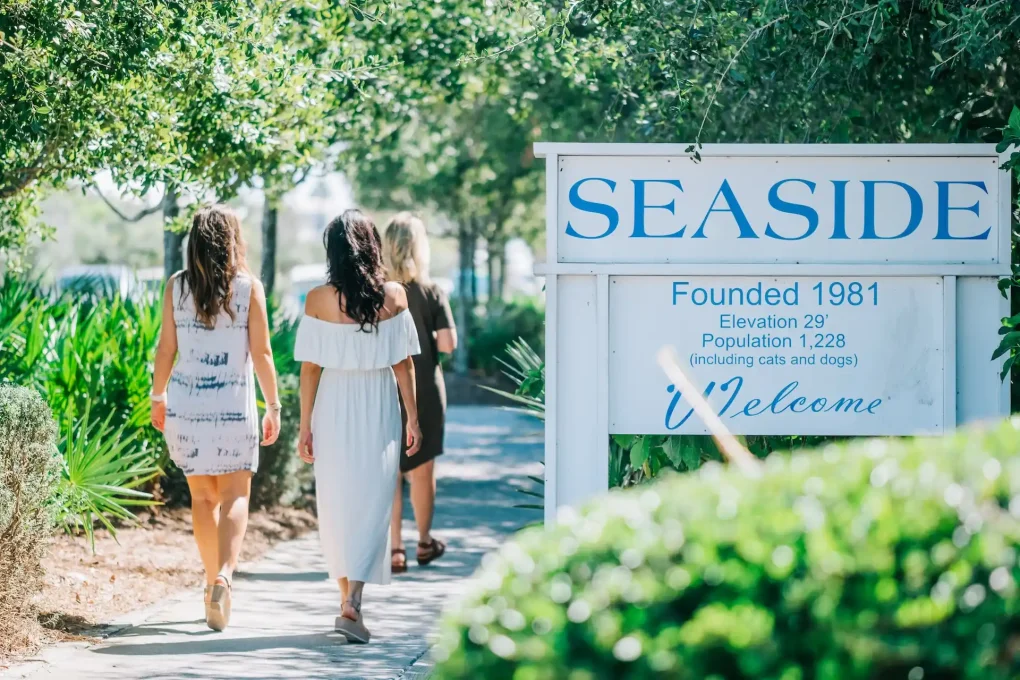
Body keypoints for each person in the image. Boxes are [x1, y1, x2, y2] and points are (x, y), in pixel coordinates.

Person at [150, 204, 281, 632]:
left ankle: (210, 585)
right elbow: (261, 354)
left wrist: (158, 395)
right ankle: (225, 575)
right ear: (232, 242)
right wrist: (273, 405)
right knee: (236, 496)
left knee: (203, 499)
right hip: (232, 410)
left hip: (187, 409)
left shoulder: (176, 287)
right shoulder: (248, 288)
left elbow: (165, 349)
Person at [295, 208, 422, 644]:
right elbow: (404, 364)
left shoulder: (317, 300)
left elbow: (310, 369)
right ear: (373, 247)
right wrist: (414, 419)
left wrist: (304, 425)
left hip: (332, 401)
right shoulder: (395, 297)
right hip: (379, 400)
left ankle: (345, 600)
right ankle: (354, 602)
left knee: (336, 502)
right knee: (372, 502)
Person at [382, 212, 457, 573]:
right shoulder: (431, 292)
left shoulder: (379, 292)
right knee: (423, 470)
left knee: (390, 471)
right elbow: (448, 344)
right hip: (425, 385)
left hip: (387, 386)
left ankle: (395, 549)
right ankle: (424, 542)